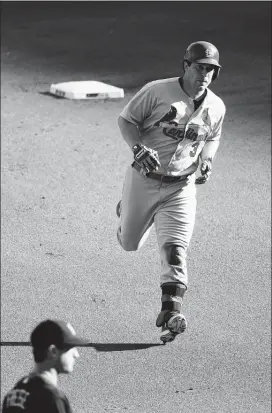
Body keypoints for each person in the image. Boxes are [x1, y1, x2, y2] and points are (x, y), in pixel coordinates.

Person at [116, 41, 226, 344]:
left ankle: (171, 312)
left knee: (175, 250)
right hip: (143, 179)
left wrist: (206, 160)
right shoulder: (157, 91)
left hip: (181, 187)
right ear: (186, 66)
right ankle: (127, 210)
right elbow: (126, 120)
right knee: (129, 243)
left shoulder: (216, 106)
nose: (204, 74)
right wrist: (138, 148)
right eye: (200, 67)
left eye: (210, 70)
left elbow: (213, 137)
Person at [2, 319, 90, 412]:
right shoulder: (53, 399)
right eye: (71, 348)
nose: (76, 355)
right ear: (53, 351)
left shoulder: (15, 393)